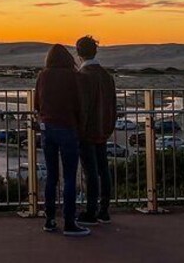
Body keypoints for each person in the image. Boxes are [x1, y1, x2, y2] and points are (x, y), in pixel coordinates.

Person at [34, 44, 89, 237]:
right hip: (68, 128)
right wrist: (80, 129)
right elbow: (80, 105)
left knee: (51, 176)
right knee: (70, 177)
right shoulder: (74, 77)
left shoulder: (43, 76)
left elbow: (36, 104)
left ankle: (49, 219)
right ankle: (69, 222)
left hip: (47, 130)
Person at [75, 35, 117, 225]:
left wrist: (79, 129)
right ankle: (104, 210)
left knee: (90, 172)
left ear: (78, 54)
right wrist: (109, 126)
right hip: (103, 130)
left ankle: (91, 212)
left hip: (87, 132)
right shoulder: (107, 76)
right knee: (103, 169)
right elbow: (113, 106)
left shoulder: (83, 77)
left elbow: (81, 107)